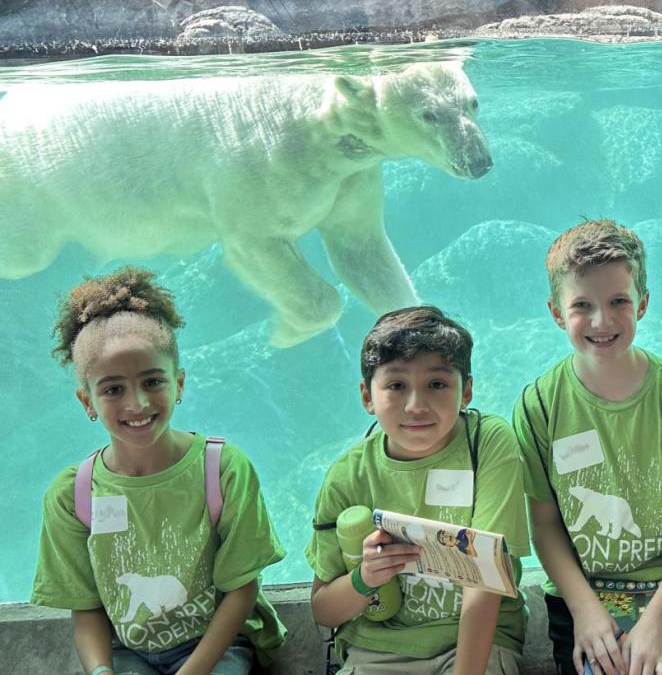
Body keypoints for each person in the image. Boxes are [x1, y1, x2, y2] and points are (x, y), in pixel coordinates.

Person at [32, 266, 286, 675]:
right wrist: (101, 672)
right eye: (113, 389)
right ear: (87, 401)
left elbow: (241, 589)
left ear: (179, 384)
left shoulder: (222, 469)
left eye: (152, 381)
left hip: (216, 647)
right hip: (127, 653)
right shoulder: (71, 495)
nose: (137, 403)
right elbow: (86, 608)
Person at [513, 219, 662, 675]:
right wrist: (586, 610)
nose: (601, 320)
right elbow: (545, 526)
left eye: (618, 302)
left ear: (643, 304)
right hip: (581, 596)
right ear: (556, 312)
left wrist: (656, 621)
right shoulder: (539, 406)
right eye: (582, 305)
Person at [307, 306, 530, 674]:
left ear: (466, 391)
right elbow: (323, 609)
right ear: (367, 396)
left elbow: (486, 582)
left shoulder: (486, 442)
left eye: (437, 384)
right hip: (375, 650)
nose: (416, 405)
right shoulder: (347, 476)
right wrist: (366, 578)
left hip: (472, 645)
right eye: (396, 386)